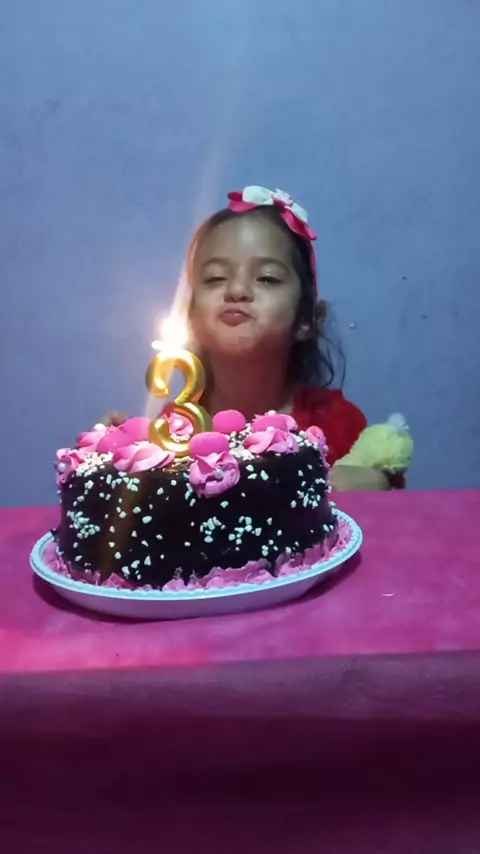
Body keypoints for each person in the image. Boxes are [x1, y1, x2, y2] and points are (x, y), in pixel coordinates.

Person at [104, 185, 390, 491]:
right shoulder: (175, 430)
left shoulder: (336, 422)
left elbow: (387, 497)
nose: (237, 290)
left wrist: (375, 481)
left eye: (267, 278)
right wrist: (119, 459)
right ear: (191, 316)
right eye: (215, 278)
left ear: (307, 319)